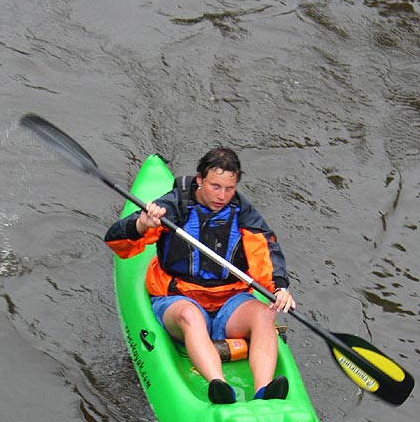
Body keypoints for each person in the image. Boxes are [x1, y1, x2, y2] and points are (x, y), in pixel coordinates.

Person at [104, 147, 296, 404]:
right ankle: (220, 386)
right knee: (190, 316)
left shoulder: (244, 214)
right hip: (178, 298)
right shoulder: (174, 207)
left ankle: (264, 391)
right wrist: (142, 224)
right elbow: (116, 240)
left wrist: (280, 288)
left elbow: (266, 254)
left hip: (229, 302)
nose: (222, 196)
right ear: (199, 180)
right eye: (215, 186)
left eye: (229, 189)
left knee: (265, 313)